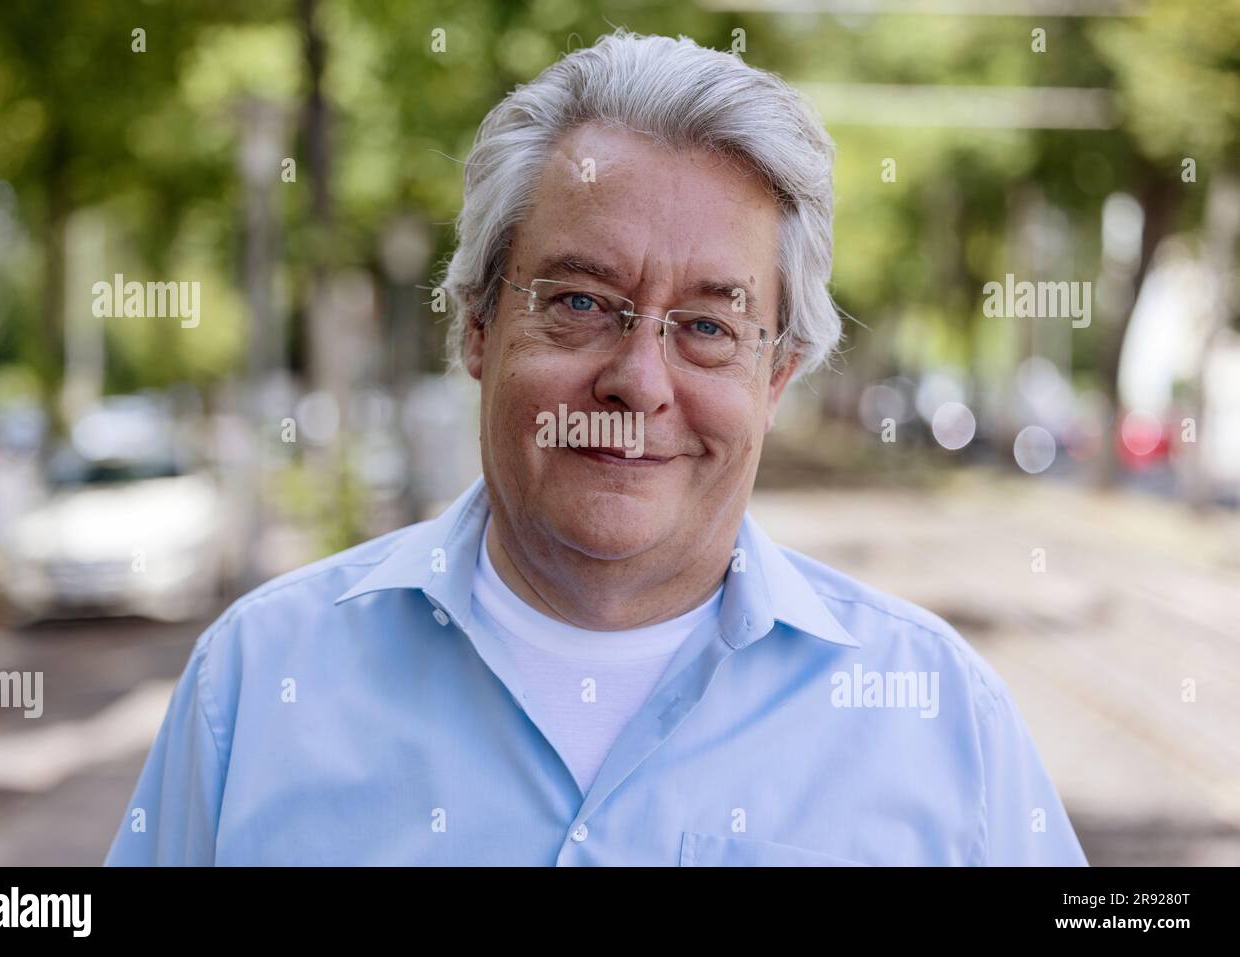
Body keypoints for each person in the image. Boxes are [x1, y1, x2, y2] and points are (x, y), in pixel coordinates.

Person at [105, 29, 1087, 866]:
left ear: (777, 373)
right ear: (478, 327)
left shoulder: (943, 720)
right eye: (580, 303)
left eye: (706, 325)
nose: (640, 381)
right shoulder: (254, 685)